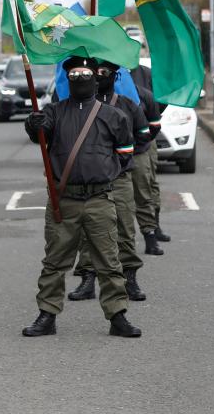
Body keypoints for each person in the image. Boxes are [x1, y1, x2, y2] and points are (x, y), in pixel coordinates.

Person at [21, 56, 141, 338]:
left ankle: (118, 316)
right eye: (73, 74)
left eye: (85, 73)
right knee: (54, 261)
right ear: (67, 79)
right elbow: (38, 135)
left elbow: (125, 154)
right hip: (65, 200)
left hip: (99, 199)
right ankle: (47, 315)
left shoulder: (114, 116)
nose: (80, 78)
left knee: (109, 260)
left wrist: (101, 172)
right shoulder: (54, 111)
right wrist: (32, 123)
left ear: (95, 78)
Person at [68, 60, 151, 303]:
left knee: (124, 225)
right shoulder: (77, 106)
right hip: (88, 181)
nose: (99, 76)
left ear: (114, 77)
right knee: (87, 231)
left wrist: (117, 162)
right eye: (95, 72)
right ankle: (87, 278)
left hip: (119, 178)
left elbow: (144, 135)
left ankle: (130, 278)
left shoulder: (126, 105)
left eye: (104, 72)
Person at [132, 85, 168, 253]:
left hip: (138, 149)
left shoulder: (143, 87)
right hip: (107, 154)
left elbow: (155, 120)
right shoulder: (96, 88)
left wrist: (141, 141)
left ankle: (151, 234)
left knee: (145, 190)